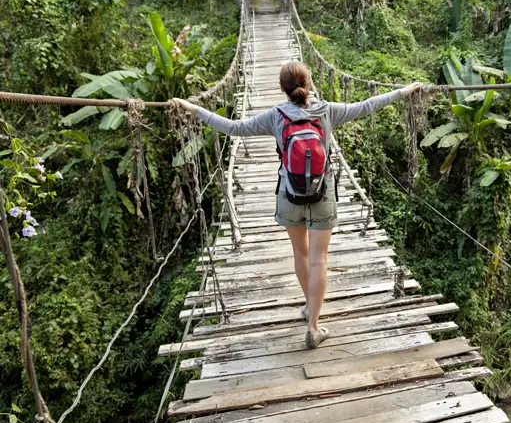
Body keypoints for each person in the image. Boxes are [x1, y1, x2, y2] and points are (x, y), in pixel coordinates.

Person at [172, 62, 421, 349]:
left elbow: (233, 127)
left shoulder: (275, 116)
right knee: (319, 260)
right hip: (322, 193)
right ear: (310, 84)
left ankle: (308, 307)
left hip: (288, 194)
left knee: (300, 254)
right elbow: (366, 105)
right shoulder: (327, 110)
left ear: (281, 89)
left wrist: (193, 109)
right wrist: (403, 91)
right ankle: (314, 326)